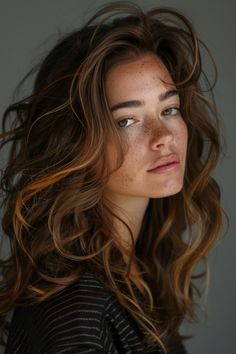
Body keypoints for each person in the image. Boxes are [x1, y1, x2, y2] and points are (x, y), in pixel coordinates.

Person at [0, 2, 223, 353]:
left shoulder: (140, 267)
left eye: (169, 109)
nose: (162, 135)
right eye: (127, 120)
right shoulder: (77, 314)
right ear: (75, 142)